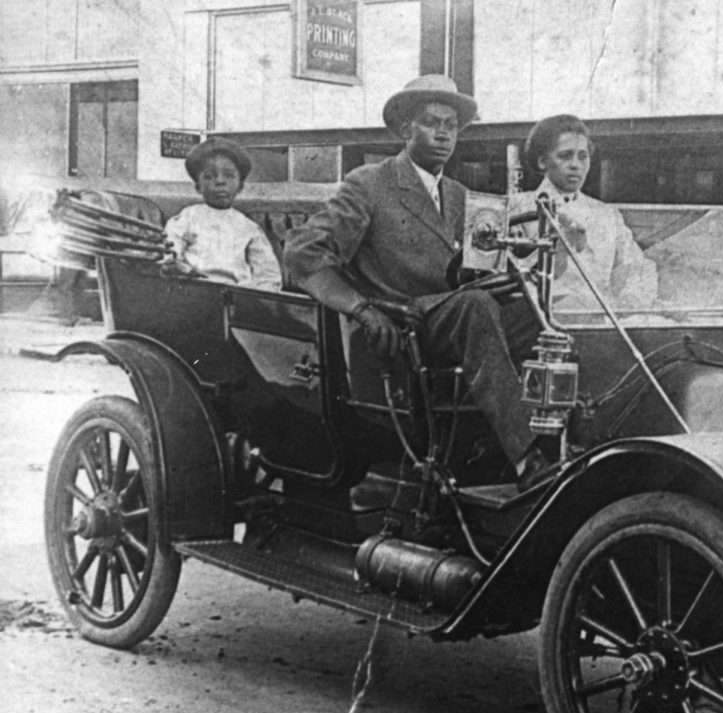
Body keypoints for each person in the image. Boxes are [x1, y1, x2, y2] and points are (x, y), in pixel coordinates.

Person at [283, 74, 552, 488]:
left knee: (539, 316)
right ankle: (526, 458)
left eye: (451, 124)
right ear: (406, 129)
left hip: (454, 320)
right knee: (475, 306)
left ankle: (556, 438)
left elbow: (471, 267)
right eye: (432, 122)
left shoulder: (462, 195)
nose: (444, 132)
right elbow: (304, 251)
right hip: (407, 323)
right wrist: (363, 309)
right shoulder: (370, 183)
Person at [512, 114, 657, 312]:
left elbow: (636, 268)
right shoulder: (518, 209)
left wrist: (627, 303)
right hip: (541, 325)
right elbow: (511, 280)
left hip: (603, 326)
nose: (575, 165)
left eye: (583, 156)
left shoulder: (607, 215)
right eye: (565, 155)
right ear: (542, 162)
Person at [163, 138, 282, 291]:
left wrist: (258, 300)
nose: (219, 181)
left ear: (240, 186)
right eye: (209, 176)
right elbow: (170, 251)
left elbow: (267, 274)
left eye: (228, 175)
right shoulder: (188, 218)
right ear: (198, 187)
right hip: (194, 289)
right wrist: (175, 265)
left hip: (238, 296)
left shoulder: (248, 227)